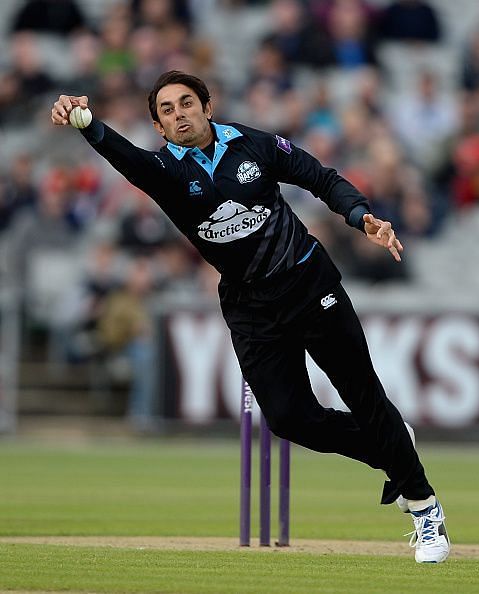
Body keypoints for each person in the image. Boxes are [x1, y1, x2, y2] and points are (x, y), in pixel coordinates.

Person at [51, 70, 450, 563]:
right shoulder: (163, 172)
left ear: (206, 106)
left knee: (363, 394)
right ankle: (388, 445)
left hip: (309, 284)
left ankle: (424, 508)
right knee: (288, 418)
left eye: (186, 103)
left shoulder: (251, 145)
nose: (180, 115)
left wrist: (358, 214)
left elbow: (318, 176)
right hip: (250, 306)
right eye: (168, 111)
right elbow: (122, 157)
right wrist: (85, 123)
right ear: (158, 127)